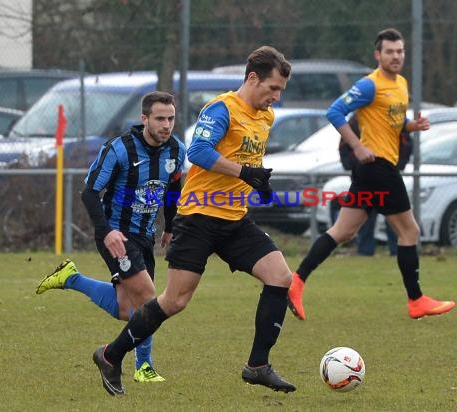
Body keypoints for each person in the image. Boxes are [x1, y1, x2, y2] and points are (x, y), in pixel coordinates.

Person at [90, 46, 296, 397]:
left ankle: (257, 365)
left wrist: (256, 180)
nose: (276, 97)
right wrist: (246, 171)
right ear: (252, 78)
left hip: (234, 220)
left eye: (280, 91)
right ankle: (110, 354)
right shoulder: (221, 109)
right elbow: (198, 153)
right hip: (199, 217)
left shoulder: (266, 118)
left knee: (280, 277)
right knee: (174, 301)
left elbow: (244, 160)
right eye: (272, 88)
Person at [288, 28, 456, 321]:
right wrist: (357, 145)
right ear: (378, 55)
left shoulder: (401, 84)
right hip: (378, 167)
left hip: (371, 171)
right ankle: (416, 300)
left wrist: (409, 126)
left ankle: (296, 282)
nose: (396, 56)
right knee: (410, 231)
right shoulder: (368, 86)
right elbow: (335, 112)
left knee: (343, 231)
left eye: (400, 51)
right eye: (389, 51)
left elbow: (390, 120)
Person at [35, 91, 186, 383]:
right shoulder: (119, 149)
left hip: (145, 236)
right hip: (117, 234)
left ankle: (71, 279)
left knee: (126, 309)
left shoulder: (176, 150)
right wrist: (106, 231)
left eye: (171, 118)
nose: (166, 125)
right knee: (149, 300)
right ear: (144, 119)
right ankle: (142, 366)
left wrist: (170, 225)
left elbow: (174, 188)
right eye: (160, 119)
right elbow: (90, 193)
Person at [340, 115, 412, 256]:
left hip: (388, 178)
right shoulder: (356, 121)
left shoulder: (393, 117)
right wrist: (357, 164)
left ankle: (397, 250)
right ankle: (365, 251)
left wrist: (396, 166)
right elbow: (344, 147)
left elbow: (406, 143)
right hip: (364, 179)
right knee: (363, 217)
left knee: (394, 217)